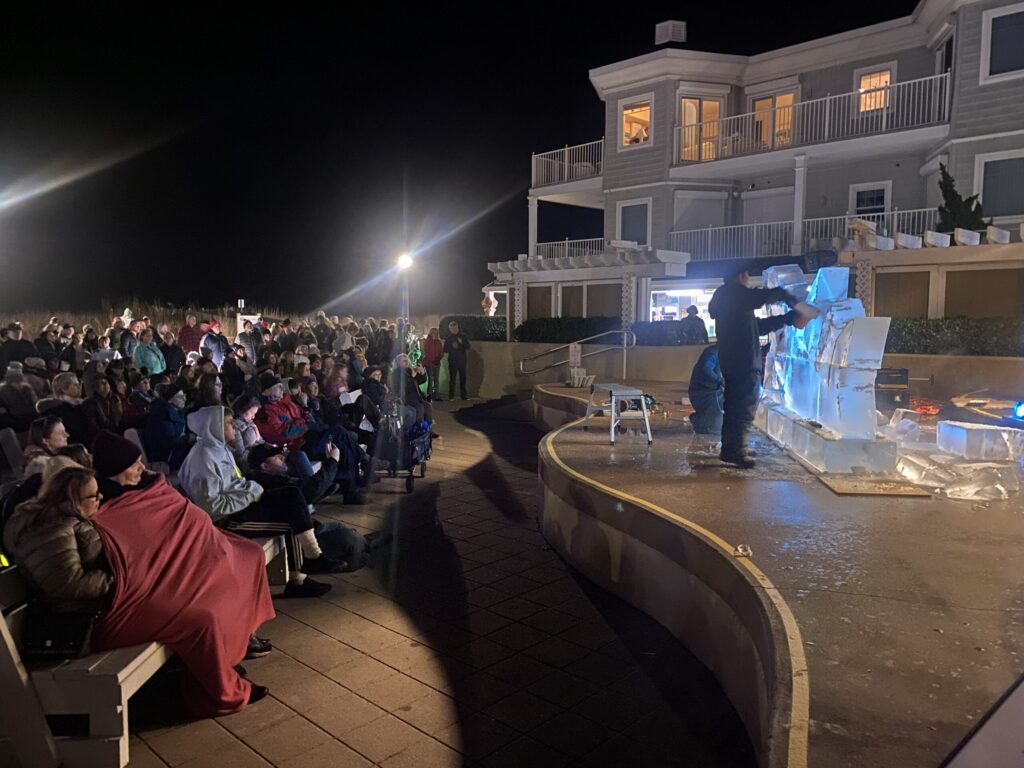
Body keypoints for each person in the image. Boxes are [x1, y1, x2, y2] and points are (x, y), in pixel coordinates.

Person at [87, 431, 275, 714]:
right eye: (134, 465)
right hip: (146, 594)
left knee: (248, 557)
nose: (142, 468)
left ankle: (232, 648)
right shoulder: (108, 509)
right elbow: (142, 553)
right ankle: (225, 690)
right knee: (203, 619)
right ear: (114, 473)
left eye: (140, 462)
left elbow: (184, 523)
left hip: (195, 563)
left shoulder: (151, 487)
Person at [177, 406, 343, 594]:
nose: (235, 427)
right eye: (229, 423)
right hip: (226, 520)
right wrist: (252, 493)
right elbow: (212, 507)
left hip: (240, 504)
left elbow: (235, 484)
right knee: (290, 517)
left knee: (291, 495)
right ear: (213, 427)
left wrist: (250, 491)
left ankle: (310, 561)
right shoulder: (203, 460)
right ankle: (301, 574)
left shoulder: (218, 449)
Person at [708, 264, 801, 468]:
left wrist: (786, 319)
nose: (748, 280)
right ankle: (734, 451)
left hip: (736, 361)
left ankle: (731, 448)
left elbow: (756, 327)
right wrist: (785, 296)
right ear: (740, 276)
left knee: (736, 406)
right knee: (742, 407)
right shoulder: (732, 295)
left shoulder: (731, 303)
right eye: (747, 276)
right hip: (742, 361)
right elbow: (758, 297)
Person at [3, 463, 112, 615]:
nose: (101, 497)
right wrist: (117, 578)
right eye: (95, 494)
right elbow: (68, 584)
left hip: (95, 603)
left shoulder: (66, 519)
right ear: (73, 500)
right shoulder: (48, 530)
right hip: (80, 612)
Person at [144, 382, 192, 469]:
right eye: (180, 397)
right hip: (166, 456)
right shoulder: (162, 414)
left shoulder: (178, 412)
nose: (184, 399)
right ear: (170, 400)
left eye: (184, 396)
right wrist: (188, 438)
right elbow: (169, 440)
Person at [687, 345, 725, 435]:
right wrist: (720, 380)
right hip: (703, 393)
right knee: (714, 429)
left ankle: (703, 417)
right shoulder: (712, 353)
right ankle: (698, 420)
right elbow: (705, 369)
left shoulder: (725, 354)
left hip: (712, 392)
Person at [391, 354, 432, 423]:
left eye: (407, 360)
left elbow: (422, 380)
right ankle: (418, 429)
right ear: (398, 362)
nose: (406, 362)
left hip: (416, 396)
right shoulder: (396, 373)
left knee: (428, 406)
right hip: (406, 398)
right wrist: (413, 377)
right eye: (403, 361)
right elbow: (403, 387)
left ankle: (427, 428)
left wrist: (422, 372)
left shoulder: (409, 370)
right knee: (420, 408)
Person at [443, 320, 470, 401]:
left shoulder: (463, 336)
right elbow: (445, 350)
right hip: (453, 361)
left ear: (458, 327)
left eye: (455, 328)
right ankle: (451, 396)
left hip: (462, 361)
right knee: (452, 379)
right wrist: (451, 346)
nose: (454, 330)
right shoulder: (448, 339)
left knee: (463, 378)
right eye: (452, 328)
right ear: (450, 329)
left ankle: (464, 396)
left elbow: (468, 347)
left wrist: (462, 342)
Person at [420, 327, 444, 401]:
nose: (434, 333)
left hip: (436, 362)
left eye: (435, 332)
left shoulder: (438, 342)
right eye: (432, 331)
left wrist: (438, 358)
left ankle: (436, 394)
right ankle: (430, 394)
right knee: (430, 378)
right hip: (429, 363)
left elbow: (441, 352)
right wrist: (432, 360)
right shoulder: (427, 341)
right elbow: (426, 352)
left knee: (436, 379)